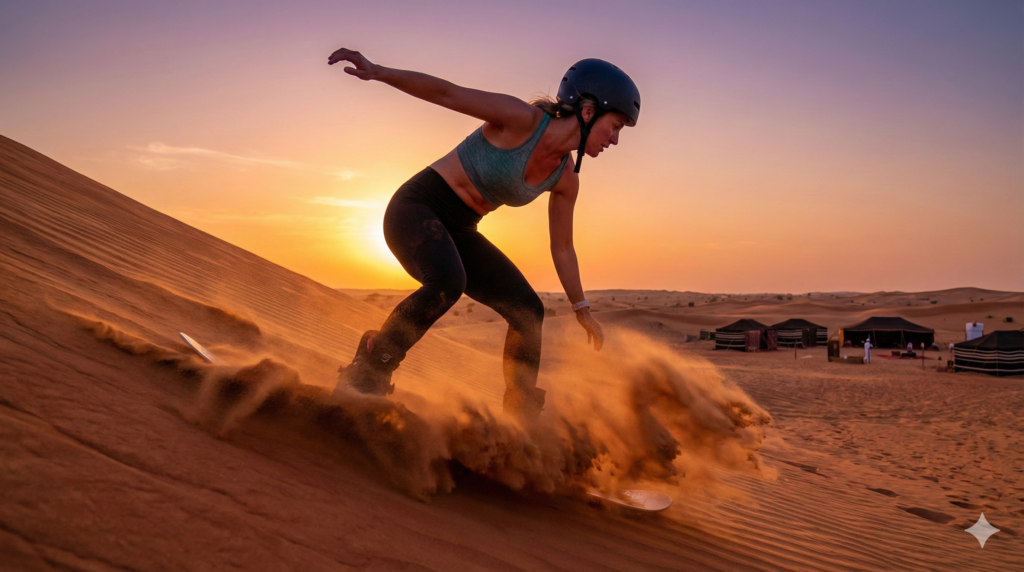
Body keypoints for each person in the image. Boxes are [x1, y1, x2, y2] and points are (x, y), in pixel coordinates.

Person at [326, 49, 641, 421]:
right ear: (589, 111)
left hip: (460, 229)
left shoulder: (566, 179)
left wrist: (581, 309)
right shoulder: (522, 120)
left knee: (527, 311)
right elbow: (447, 93)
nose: (615, 140)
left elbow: (563, 248)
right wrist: (378, 72)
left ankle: (520, 417)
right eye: (616, 126)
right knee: (447, 281)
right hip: (416, 209)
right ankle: (370, 368)